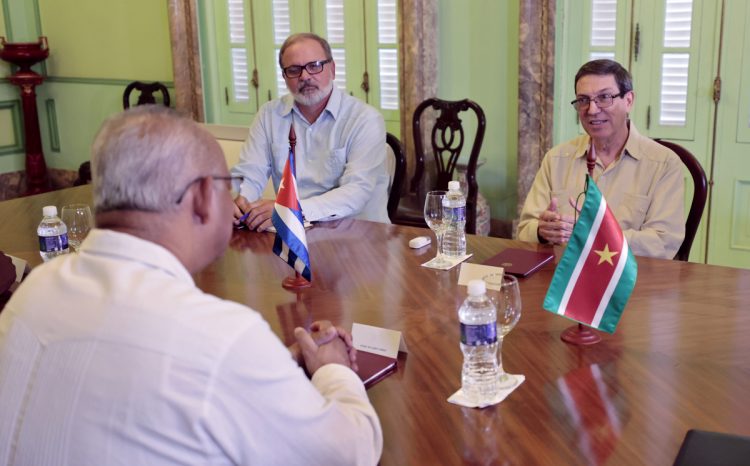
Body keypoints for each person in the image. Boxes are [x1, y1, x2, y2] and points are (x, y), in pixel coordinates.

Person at [0, 106, 382, 465]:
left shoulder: (35, 289)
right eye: (227, 185)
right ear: (201, 197)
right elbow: (348, 453)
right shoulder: (221, 337)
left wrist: (271, 367)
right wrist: (334, 371)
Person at [517, 59, 685, 259]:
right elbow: (525, 229)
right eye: (583, 100)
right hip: (566, 277)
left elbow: (663, 243)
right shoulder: (556, 159)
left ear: (629, 100)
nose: (592, 110)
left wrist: (598, 236)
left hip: (633, 281)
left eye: (604, 97)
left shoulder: (664, 164)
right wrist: (542, 232)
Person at [231, 32, 390, 231]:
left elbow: (356, 191)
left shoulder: (365, 119)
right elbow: (250, 172)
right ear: (284, 77)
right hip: (292, 236)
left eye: (314, 66)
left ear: (332, 69)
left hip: (359, 237)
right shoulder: (268, 115)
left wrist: (290, 210)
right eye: (294, 70)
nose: (305, 76)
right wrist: (239, 202)